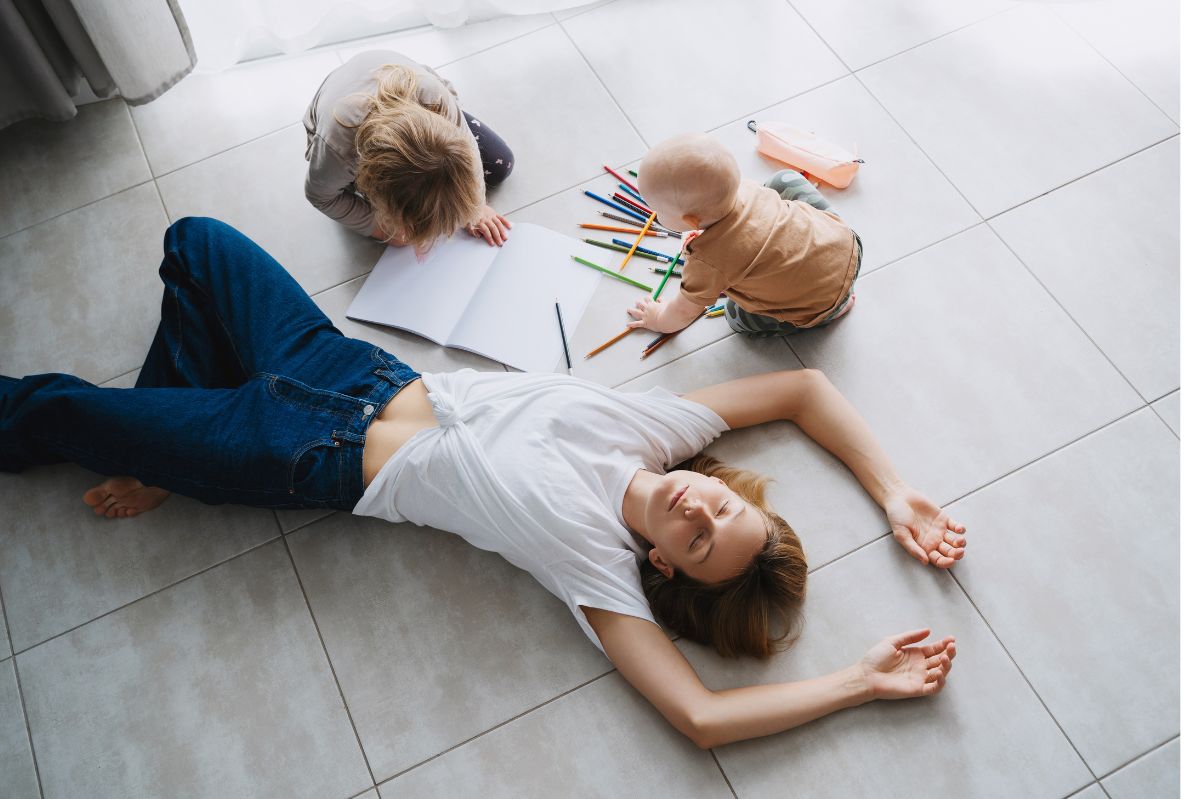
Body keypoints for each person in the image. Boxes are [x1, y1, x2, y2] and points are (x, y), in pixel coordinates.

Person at [0, 218, 965, 750]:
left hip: (292, 453)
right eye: (726, 507)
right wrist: (894, 494)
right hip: (348, 368)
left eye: (702, 542)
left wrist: (856, 681)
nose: (701, 511)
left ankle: (173, 444)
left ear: (667, 571)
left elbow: (701, 718)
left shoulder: (598, 567)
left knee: (56, 411)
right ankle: (167, 440)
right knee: (195, 240)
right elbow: (801, 387)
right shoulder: (661, 434)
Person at [627, 132, 862, 337]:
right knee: (783, 179)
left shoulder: (706, 262)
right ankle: (834, 291)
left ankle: (834, 311)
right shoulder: (747, 189)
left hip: (822, 302)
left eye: (657, 210)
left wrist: (656, 318)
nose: (654, 215)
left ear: (690, 221)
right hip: (846, 244)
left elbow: (682, 313)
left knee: (735, 317)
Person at [304, 50, 514, 250]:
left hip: (415, 92)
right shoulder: (337, 149)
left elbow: (470, 156)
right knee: (357, 200)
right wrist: (379, 229)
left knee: (500, 164)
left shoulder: (436, 98)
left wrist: (475, 207)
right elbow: (320, 196)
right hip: (344, 123)